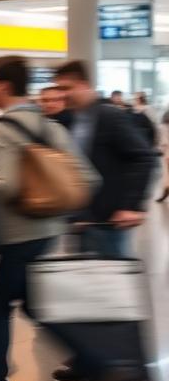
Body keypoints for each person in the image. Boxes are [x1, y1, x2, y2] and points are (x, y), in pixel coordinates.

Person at [0, 58, 116, 381]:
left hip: (15, 234)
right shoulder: (50, 126)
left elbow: (4, 185)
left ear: (4, 86)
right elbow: (90, 179)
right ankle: (95, 364)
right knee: (31, 304)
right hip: (49, 231)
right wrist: (54, 202)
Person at [53, 61, 154, 259]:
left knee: (111, 282)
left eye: (67, 88)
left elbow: (143, 156)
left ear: (84, 85)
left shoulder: (109, 116)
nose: (62, 94)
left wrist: (131, 206)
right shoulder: (73, 120)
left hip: (108, 223)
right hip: (82, 222)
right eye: (59, 89)